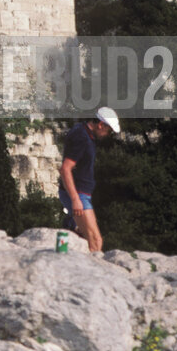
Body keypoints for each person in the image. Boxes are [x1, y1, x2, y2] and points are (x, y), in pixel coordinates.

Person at [58, 106, 119, 253]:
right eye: (108, 130)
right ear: (101, 125)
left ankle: (61, 252)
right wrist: (75, 199)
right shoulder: (82, 137)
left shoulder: (82, 131)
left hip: (81, 193)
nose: (107, 134)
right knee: (96, 241)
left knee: (77, 236)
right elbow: (65, 168)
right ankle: (90, 274)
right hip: (78, 195)